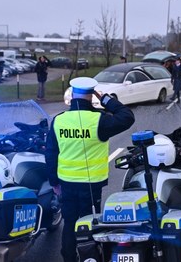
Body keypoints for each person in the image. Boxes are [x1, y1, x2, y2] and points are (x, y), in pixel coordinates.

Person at [45, 77, 135, 262]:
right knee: (89, 223)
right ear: (91, 95)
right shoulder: (99, 121)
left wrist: (54, 182)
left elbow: (51, 153)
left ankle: (69, 258)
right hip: (91, 184)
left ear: (72, 95)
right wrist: (105, 99)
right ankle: (89, 257)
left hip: (66, 182)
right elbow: (127, 116)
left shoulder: (58, 121)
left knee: (69, 224)